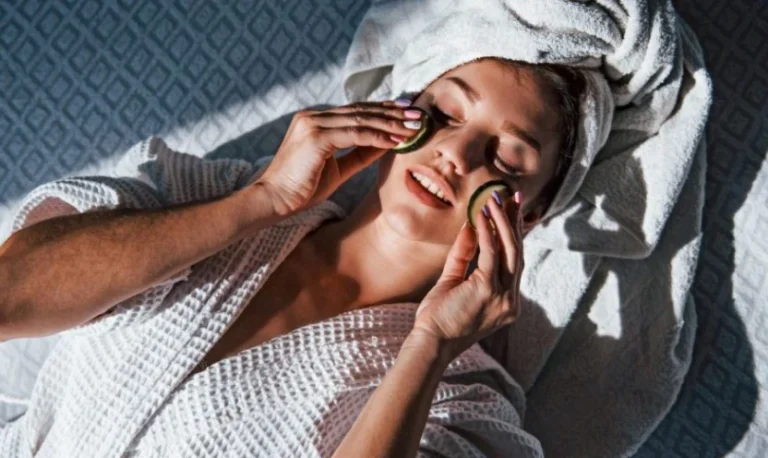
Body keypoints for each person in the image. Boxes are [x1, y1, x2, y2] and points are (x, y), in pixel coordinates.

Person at [0, 57, 583, 457]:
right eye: (447, 113)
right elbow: (9, 295)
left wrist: (428, 347)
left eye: (506, 158)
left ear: (527, 215)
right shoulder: (200, 194)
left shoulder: (465, 401)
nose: (456, 152)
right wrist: (261, 203)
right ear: (399, 111)